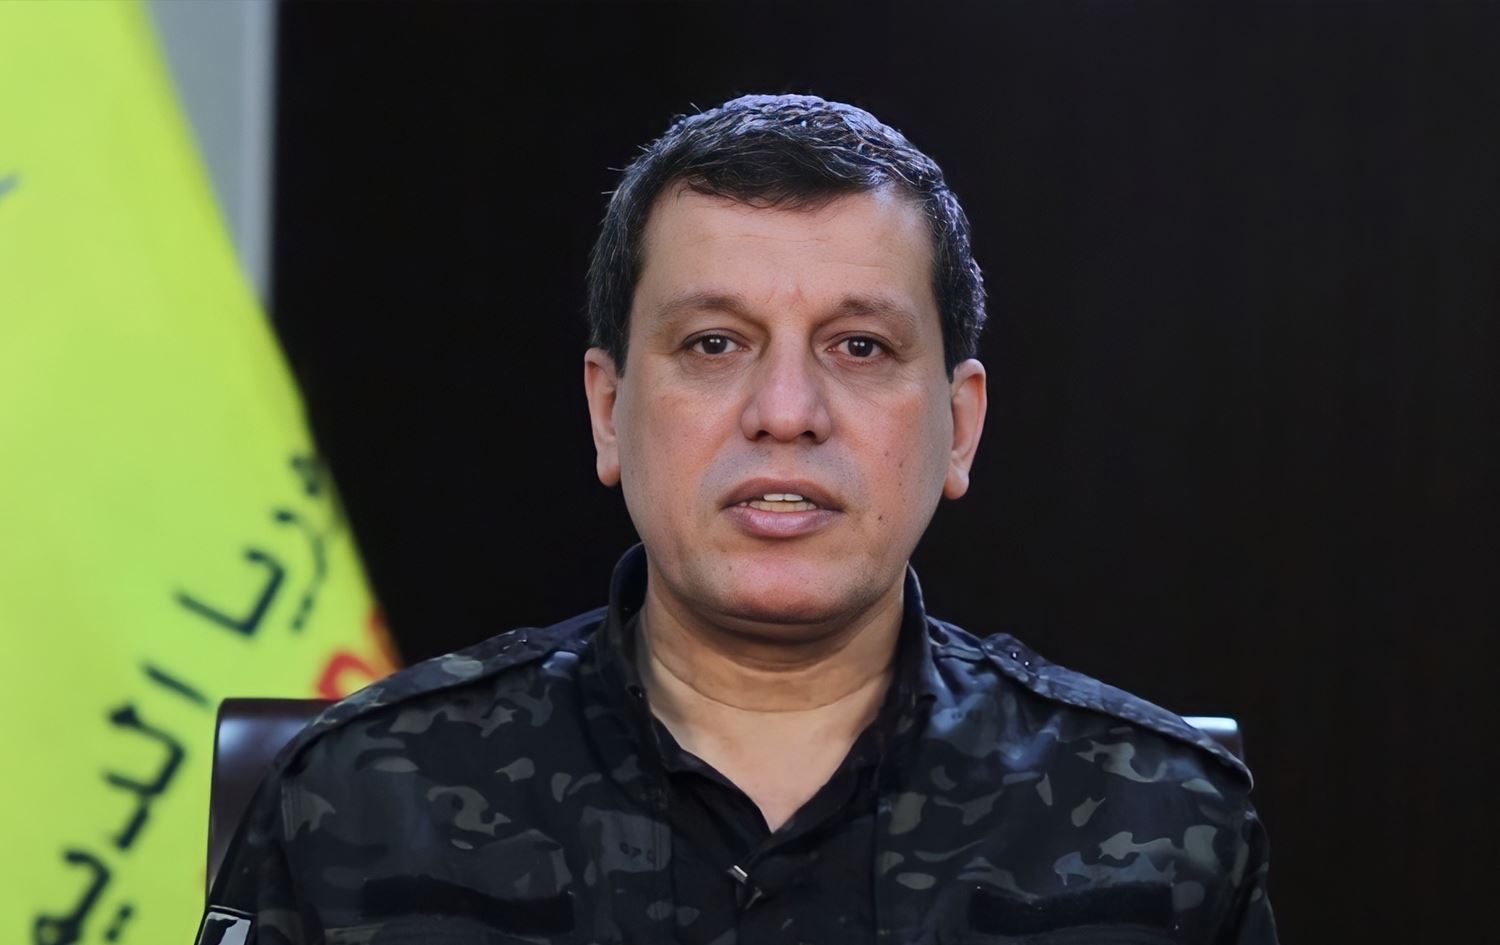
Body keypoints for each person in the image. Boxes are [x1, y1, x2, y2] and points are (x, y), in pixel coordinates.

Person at [201, 94, 1277, 945]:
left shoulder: (1163, 822)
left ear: (959, 426)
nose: (787, 411)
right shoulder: (361, 795)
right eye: (714, 344)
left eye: (860, 347)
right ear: (610, 409)